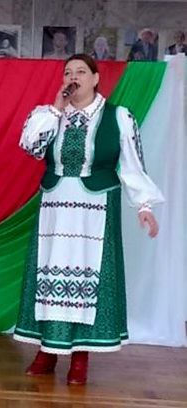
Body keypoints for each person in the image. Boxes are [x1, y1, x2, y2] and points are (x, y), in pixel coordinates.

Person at [13, 54, 164, 385]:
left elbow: (132, 165)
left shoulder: (118, 116)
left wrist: (144, 205)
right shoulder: (49, 116)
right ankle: (47, 352)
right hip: (55, 208)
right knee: (50, 276)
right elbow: (31, 147)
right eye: (68, 72)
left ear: (95, 79)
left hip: (95, 209)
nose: (73, 77)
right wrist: (56, 109)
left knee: (88, 279)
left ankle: (80, 357)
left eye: (81, 71)